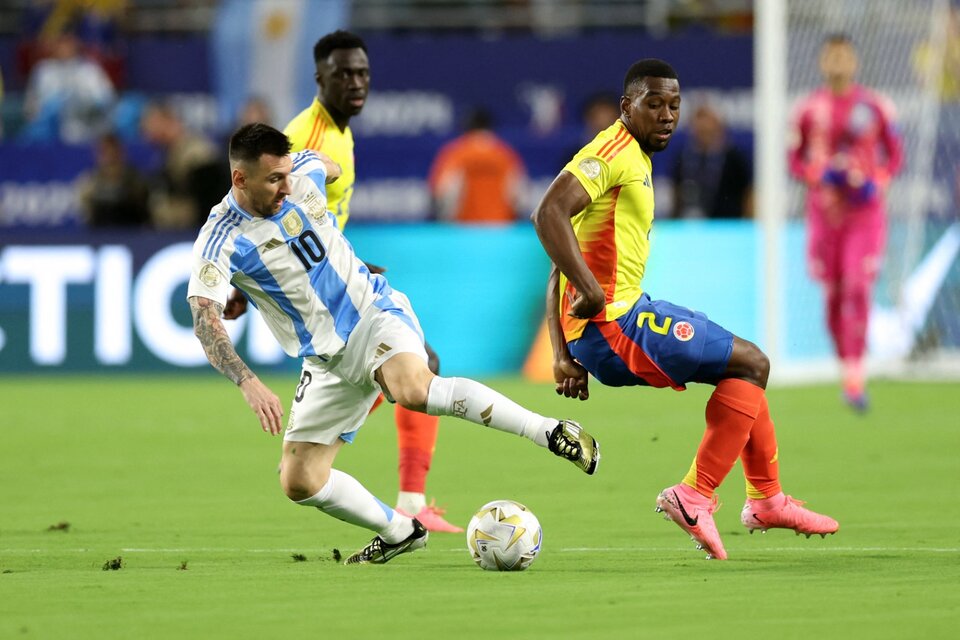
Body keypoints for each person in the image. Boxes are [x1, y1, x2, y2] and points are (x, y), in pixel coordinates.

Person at [187, 123, 599, 564]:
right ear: (240, 179)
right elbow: (203, 317)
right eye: (273, 180)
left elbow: (329, 168)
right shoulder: (221, 237)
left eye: (287, 174)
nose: (287, 186)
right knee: (300, 480)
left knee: (413, 389)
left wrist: (341, 252)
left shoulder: (303, 170)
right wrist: (247, 381)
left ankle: (551, 431)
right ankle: (400, 530)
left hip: (373, 313)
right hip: (325, 360)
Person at [531, 58, 838, 561]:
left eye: (674, 104)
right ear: (628, 106)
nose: (668, 115)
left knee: (745, 366)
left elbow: (562, 255)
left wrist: (561, 351)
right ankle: (702, 494)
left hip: (615, 321)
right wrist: (586, 296)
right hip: (615, 327)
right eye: (654, 104)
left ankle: (767, 499)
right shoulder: (610, 152)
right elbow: (547, 215)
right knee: (751, 364)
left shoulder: (634, 155)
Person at [230, 29, 459, 533]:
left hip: (334, 286)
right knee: (418, 367)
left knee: (417, 366)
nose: (356, 83)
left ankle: (330, 463)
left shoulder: (337, 129)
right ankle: (389, 492)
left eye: (362, 74)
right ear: (319, 78)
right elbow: (274, 222)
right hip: (324, 302)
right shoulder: (306, 141)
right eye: (343, 75)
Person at [788, 34, 903, 412]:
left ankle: (856, 374)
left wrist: (876, 182)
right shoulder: (808, 110)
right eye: (831, 56)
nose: (838, 62)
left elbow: (895, 156)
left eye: (844, 56)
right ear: (822, 62)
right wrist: (819, 174)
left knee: (857, 285)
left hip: (864, 215)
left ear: (854, 61)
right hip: (825, 215)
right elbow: (794, 160)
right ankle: (846, 367)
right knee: (834, 293)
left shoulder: (875, 106)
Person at [427, 107, 528, 224]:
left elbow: (443, 193)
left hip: (463, 230)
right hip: (500, 229)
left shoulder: (456, 153)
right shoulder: (505, 154)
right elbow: (519, 197)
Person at [140, 100, 230, 230]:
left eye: (151, 122)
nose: (146, 128)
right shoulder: (166, 155)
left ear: (168, 121)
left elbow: (211, 199)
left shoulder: (197, 153)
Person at [22, 29, 115, 143]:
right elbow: (31, 105)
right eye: (61, 43)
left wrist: (83, 105)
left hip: (86, 125)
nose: (65, 48)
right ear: (54, 46)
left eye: (68, 43)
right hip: (48, 131)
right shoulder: (43, 70)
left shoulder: (90, 70)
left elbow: (106, 98)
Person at [671, 103, 752, 219]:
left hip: (727, 225)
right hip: (691, 226)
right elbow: (676, 193)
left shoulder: (734, 159)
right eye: (700, 129)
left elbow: (747, 193)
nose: (703, 130)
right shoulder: (684, 159)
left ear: (718, 127)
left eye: (707, 129)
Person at [77, 131, 151, 228]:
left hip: (132, 233)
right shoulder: (89, 182)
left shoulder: (136, 179)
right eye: (104, 152)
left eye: (112, 151)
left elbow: (145, 209)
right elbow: (86, 214)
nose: (109, 156)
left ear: (120, 152)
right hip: (99, 235)